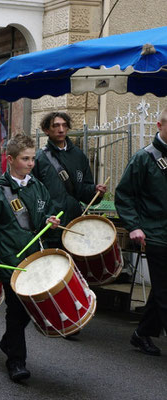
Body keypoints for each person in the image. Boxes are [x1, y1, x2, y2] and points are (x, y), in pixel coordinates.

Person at [0, 133, 60, 382]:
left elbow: (46, 211)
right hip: (9, 260)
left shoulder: (38, 186)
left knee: (29, 309)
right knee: (16, 309)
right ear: (10, 160)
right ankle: (16, 362)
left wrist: (51, 220)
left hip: (34, 260)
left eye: (32, 158)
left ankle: (8, 341)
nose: (31, 163)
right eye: (25, 159)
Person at [115, 108, 167, 357]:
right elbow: (124, 195)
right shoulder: (144, 158)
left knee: (161, 289)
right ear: (159, 125)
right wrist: (134, 226)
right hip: (154, 233)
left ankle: (142, 333)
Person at [32, 112, 106, 247]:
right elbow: (33, 196)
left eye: (64, 125)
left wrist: (95, 191)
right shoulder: (39, 158)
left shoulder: (79, 156)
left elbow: (84, 191)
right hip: (51, 229)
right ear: (46, 130)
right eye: (56, 126)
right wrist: (44, 219)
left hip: (75, 226)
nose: (61, 129)